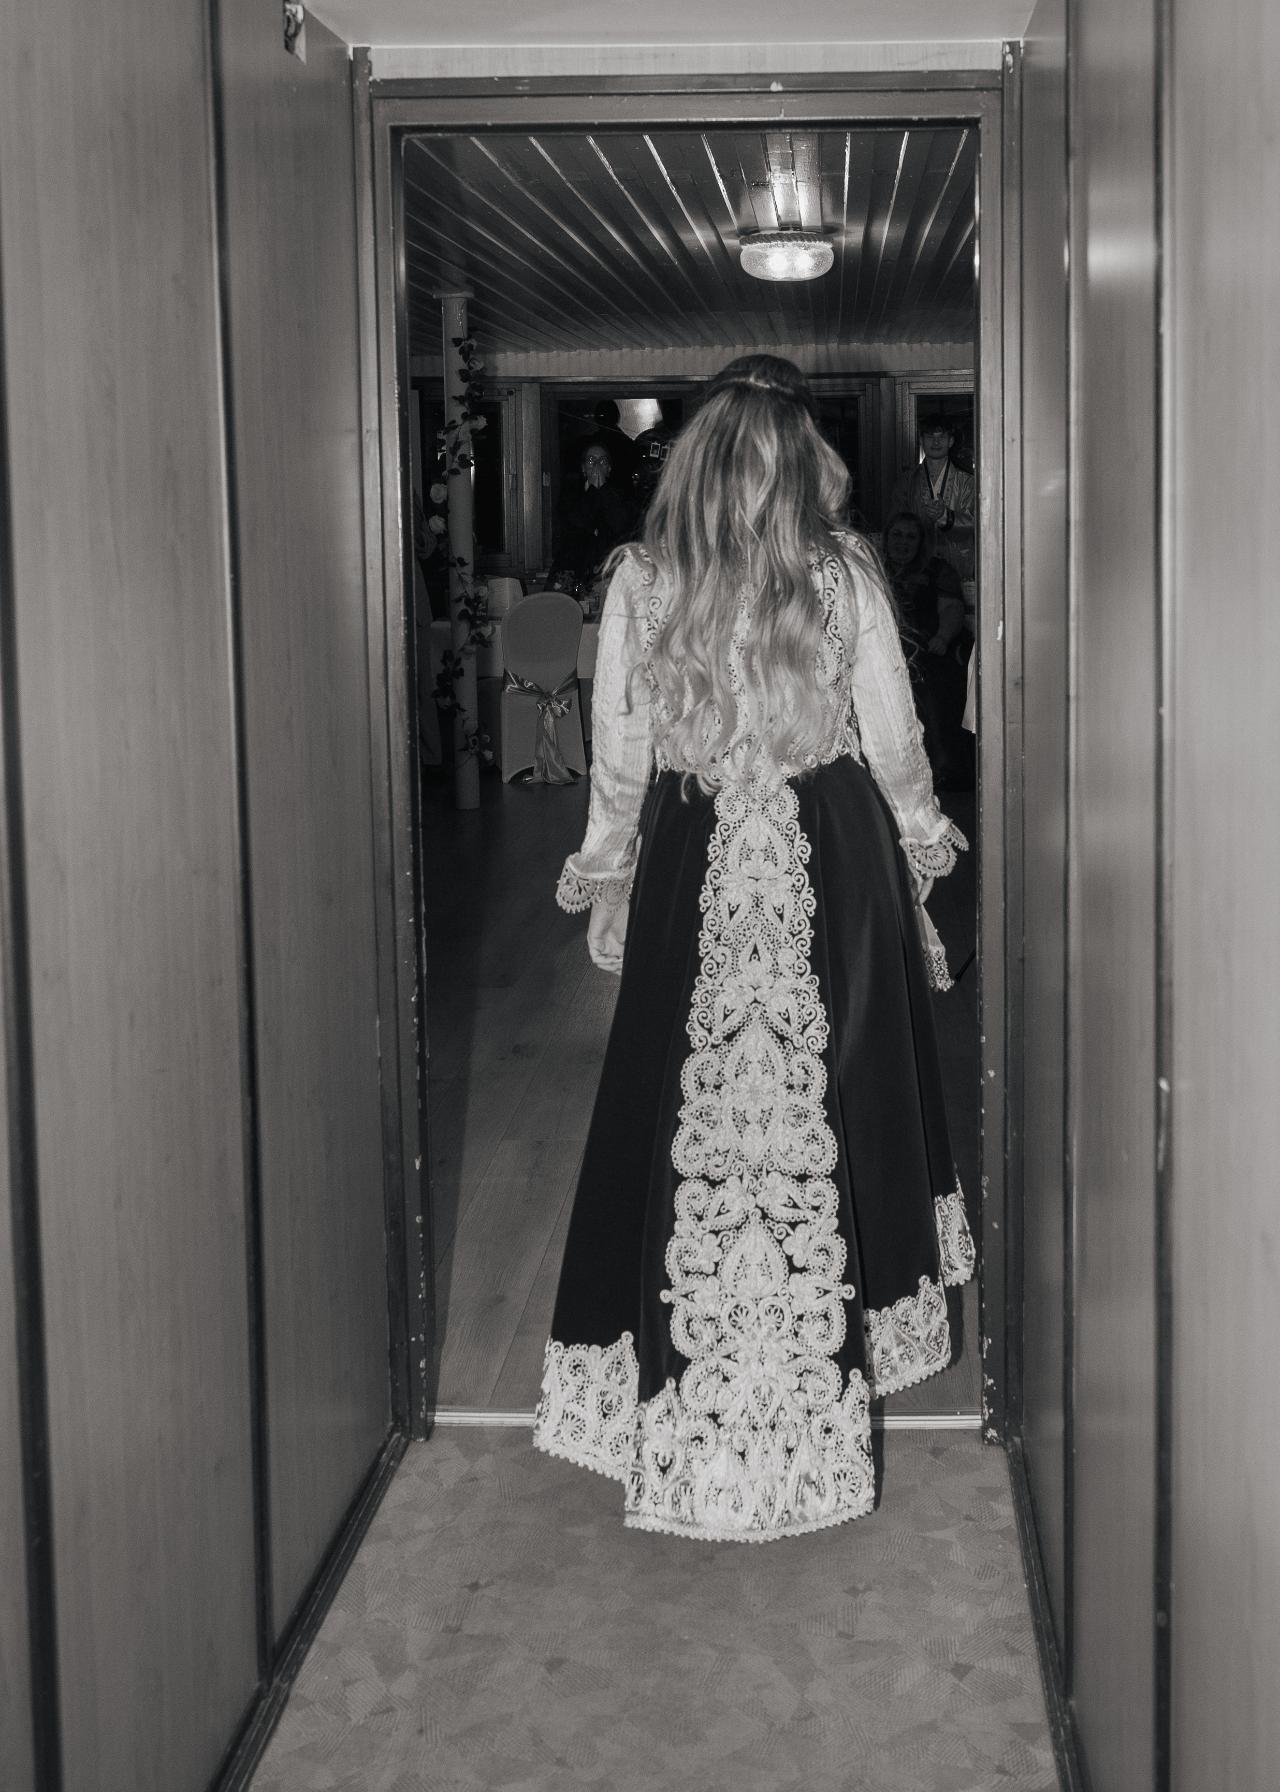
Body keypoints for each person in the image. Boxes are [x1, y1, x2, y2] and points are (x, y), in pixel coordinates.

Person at [533, 355, 975, 1543]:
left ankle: (691, 1402)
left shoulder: (638, 581)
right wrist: (923, 857)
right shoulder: (842, 577)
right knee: (835, 1107)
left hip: (693, 853)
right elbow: (893, 744)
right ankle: (826, 1378)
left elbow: (618, 759)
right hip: (833, 855)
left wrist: (614, 874)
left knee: (682, 1112)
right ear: (795, 469)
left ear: (693, 463)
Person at [881, 509, 972, 788]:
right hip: (883, 647)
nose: (902, 542)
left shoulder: (937, 569)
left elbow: (952, 608)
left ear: (921, 542)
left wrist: (943, 637)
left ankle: (941, 767)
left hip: (927, 648)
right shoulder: (874, 567)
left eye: (911, 537)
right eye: (896, 535)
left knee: (931, 688)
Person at [890, 411, 976, 582]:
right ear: (921, 441)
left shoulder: (968, 482)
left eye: (941, 437)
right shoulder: (907, 481)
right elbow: (895, 521)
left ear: (951, 441)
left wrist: (945, 517)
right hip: (915, 564)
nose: (936, 442)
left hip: (956, 564)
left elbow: (976, 524)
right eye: (930, 436)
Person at [557, 441, 635, 584]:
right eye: (591, 460)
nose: (597, 465)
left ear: (609, 468)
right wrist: (592, 492)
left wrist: (603, 491)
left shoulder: (621, 496)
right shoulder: (570, 496)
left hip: (611, 572)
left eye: (602, 461)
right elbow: (575, 529)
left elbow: (621, 527)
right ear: (583, 468)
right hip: (577, 573)